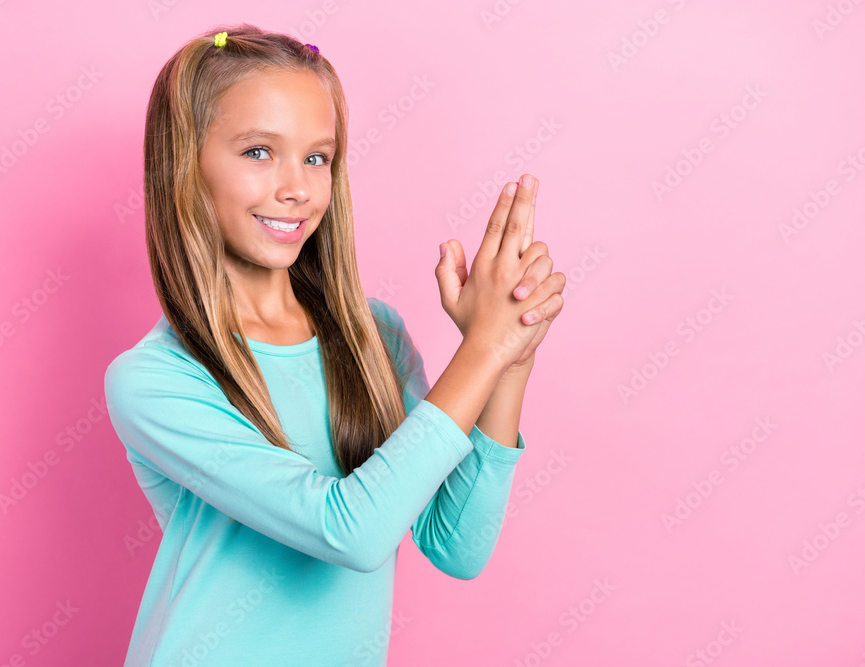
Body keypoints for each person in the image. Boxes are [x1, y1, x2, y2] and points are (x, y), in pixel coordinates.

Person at [103, 23, 565, 666]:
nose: (297, 186)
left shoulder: (375, 335)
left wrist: (512, 354)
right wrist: (480, 352)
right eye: (259, 151)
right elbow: (349, 529)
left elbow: (458, 546)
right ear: (186, 164)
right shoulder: (156, 379)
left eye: (317, 157)